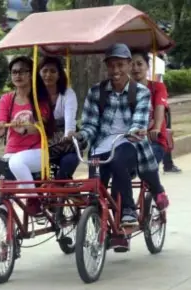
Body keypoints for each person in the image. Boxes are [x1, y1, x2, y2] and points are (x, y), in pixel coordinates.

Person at [71, 43, 169, 225]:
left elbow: (139, 121)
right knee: (96, 185)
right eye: (111, 65)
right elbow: (90, 124)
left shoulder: (141, 92)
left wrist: (135, 132)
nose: (115, 70)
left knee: (118, 162)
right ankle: (96, 218)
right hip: (101, 144)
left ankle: (128, 209)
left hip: (130, 142)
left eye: (120, 65)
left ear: (129, 65)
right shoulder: (95, 92)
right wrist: (81, 136)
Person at [0, 56, 53, 215]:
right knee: (5, 192)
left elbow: (42, 126)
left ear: (31, 74)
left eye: (22, 71)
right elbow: (0, 126)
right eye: (14, 72)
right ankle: (2, 226)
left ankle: (34, 199)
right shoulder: (6, 99)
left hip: (38, 151)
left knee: (16, 163)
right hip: (11, 151)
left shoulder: (40, 99)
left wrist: (26, 129)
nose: (18, 75)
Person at [38, 56, 79, 180]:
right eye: (44, 71)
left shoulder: (67, 94)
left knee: (68, 162)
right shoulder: (35, 95)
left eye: (53, 71)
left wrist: (68, 134)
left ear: (59, 74)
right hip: (43, 145)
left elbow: (70, 118)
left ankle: (62, 188)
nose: (48, 75)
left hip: (65, 145)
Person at [142, 52, 182, 173]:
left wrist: (157, 125)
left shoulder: (157, 63)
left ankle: (167, 164)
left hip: (156, 105)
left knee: (161, 134)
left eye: (139, 64)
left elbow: (157, 82)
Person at [131, 51, 169, 163]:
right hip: (132, 142)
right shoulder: (126, 91)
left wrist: (156, 128)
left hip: (153, 141)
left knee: (148, 166)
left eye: (139, 64)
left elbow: (159, 107)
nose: (135, 68)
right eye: (132, 65)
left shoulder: (157, 87)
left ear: (147, 66)